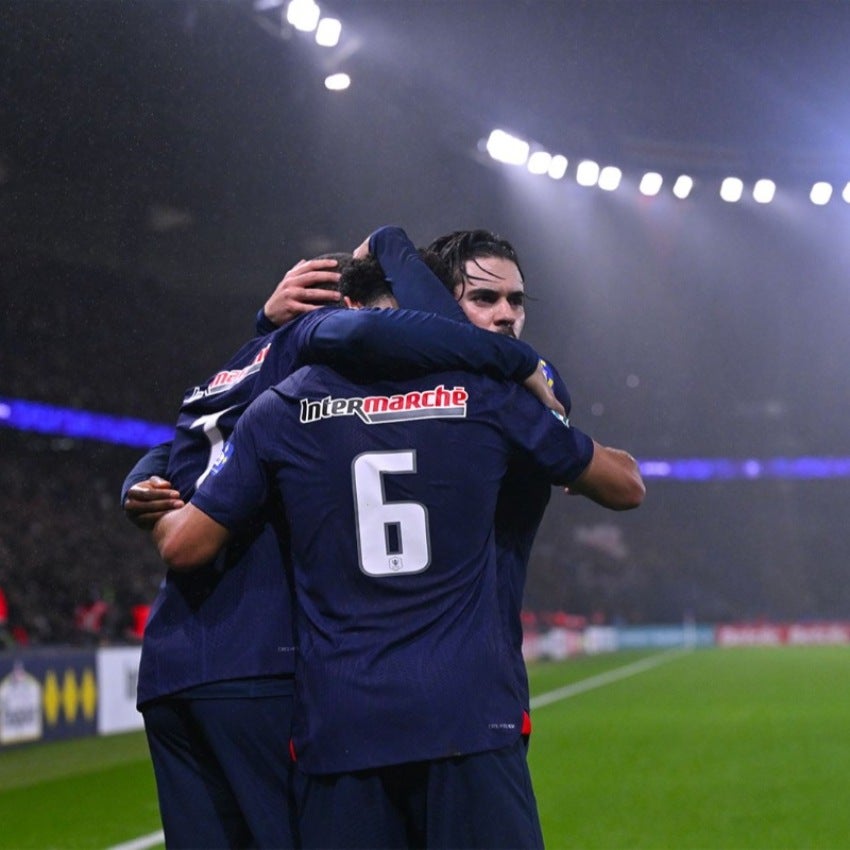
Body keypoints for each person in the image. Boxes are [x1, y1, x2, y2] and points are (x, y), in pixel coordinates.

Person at [150, 313, 643, 848]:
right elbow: (626, 486)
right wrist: (526, 371)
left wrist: (145, 492)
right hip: (465, 714)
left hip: (341, 725)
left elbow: (185, 542)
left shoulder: (281, 408)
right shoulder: (485, 395)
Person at [359, 225, 641, 728]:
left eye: (516, 301)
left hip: (353, 691)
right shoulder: (512, 399)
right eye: (485, 298)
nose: (506, 314)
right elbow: (627, 486)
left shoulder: (350, 393)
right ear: (437, 307)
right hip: (475, 692)